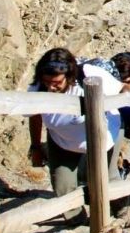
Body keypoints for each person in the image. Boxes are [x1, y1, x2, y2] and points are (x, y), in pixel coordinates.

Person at [28, 49, 123, 221]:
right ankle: (77, 221)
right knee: (62, 184)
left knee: (107, 178)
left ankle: (122, 213)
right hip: (61, 139)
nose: (50, 87)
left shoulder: (89, 75)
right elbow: (33, 114)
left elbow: (123, 90)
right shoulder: (38, 87)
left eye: (56, 82)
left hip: (103, 135)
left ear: (69, 75)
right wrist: (35, 146)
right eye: (47, 81)